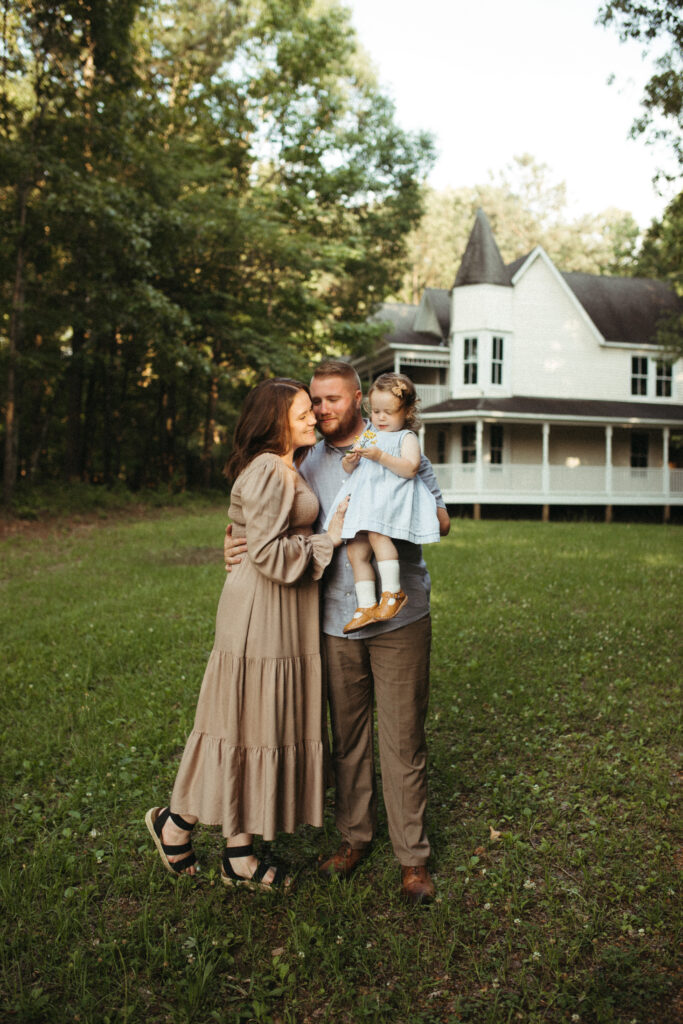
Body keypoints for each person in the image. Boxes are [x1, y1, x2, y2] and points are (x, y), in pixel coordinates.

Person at [225, 360, 450, 905]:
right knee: (347, 740)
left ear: (356, 399)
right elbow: (260, 521)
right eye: (314, 402)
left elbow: (442, 520)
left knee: (403, 739)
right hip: (332, 619)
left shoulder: (399, 445)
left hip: (401, 616)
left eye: (331, 400)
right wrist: (232, 542)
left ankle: (412, 860)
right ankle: (354, 839)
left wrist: (399, 500)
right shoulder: (303, 462)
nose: (322, 410)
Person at [146, 378, 348, 889]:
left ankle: (239, 854)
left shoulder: (285, 466)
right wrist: (329, 540)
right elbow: (267, 553)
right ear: (276, 420)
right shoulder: (268, 470)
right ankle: (176, 822)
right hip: (263, 610)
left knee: (259, 723)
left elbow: (249, 532)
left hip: (281, 606)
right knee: (243, 721)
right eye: (302, 411)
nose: (312, 418)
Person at [322, 372, 440, 634]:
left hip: (388, 500)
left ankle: (393, 593)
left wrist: (380, 456)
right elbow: (352, 465)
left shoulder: (405, 438)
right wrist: (350, 462)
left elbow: (410, 468)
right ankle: (366, 605)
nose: (381, 418)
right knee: (355, 549)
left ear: (407, 411)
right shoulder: (371, 433)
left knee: (378, 535)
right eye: (376, 411)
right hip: (366, 501)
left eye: (389, 412)